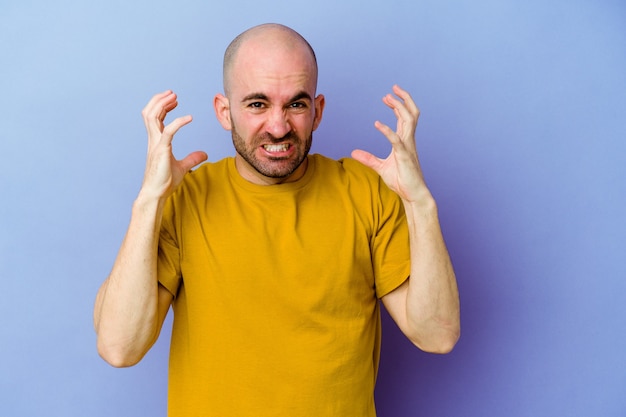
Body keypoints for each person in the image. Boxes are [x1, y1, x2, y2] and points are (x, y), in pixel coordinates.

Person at [94, 23, 460, 416]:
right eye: (257, 104)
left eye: (296, 105)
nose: (278, 126)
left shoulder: (367, 193)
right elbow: (120, 347)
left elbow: (436, 335)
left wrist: (420, 203)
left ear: (317, 111)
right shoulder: (185, 199)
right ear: (224, 111)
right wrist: (149, 199)